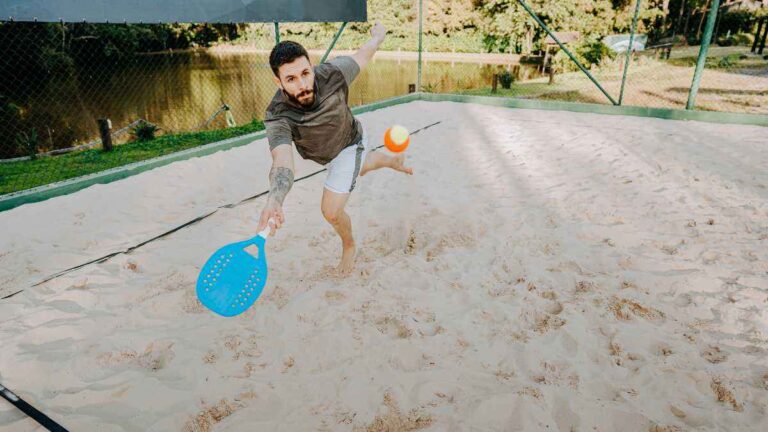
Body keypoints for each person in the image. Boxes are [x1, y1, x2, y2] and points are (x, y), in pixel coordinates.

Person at [257, 23, 412, 275]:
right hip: (326, 155)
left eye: (306, 73)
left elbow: (364, 54)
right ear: (278, 81)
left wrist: (378, 36)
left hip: (350, 142)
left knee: (330, 210)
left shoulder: (333, 74)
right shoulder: (277, 115)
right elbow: (282, 161)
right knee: (360, 167)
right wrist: (274, 199)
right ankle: (392, 161)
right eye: (291, 79)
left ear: (312, 65)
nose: (303, 84)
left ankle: (349, 245)